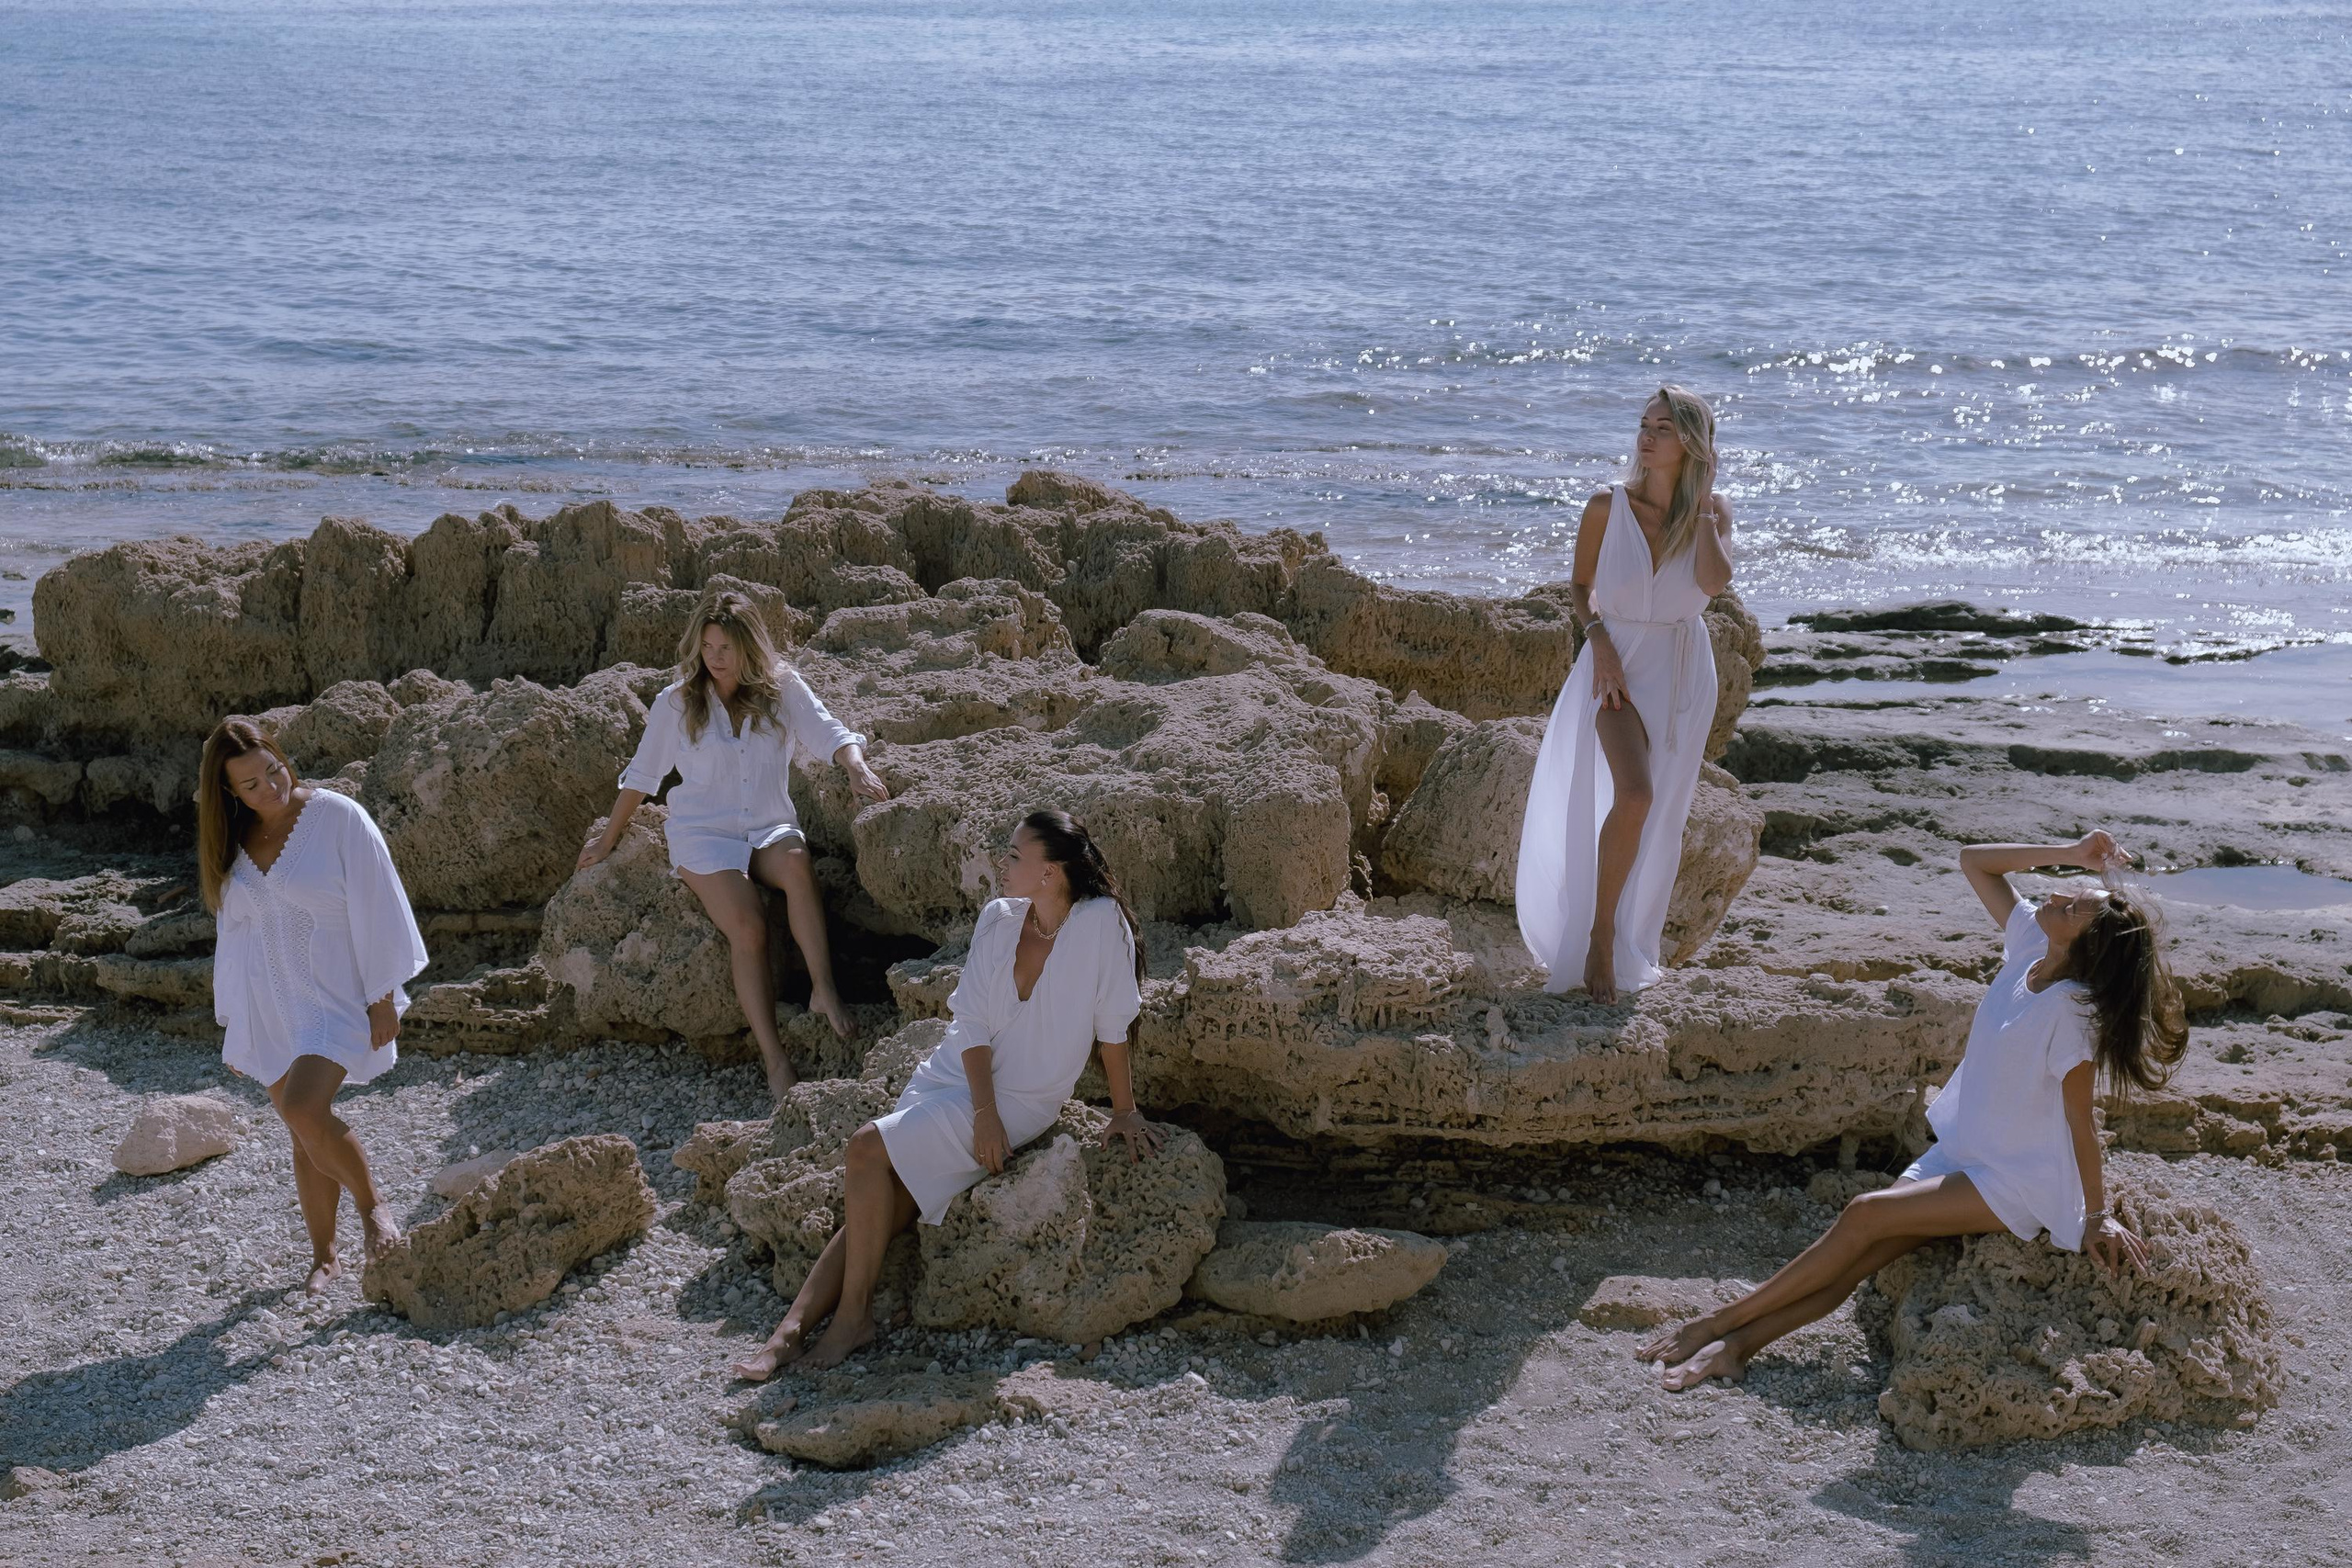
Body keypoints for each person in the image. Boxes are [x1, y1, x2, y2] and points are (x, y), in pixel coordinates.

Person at [1639, 829, 2188, 1390]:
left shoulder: (2071, 1014)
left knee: (1864, 1215)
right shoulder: (2031, 950)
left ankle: (1715, 1323)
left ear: (2086, 947)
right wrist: (2071, 853)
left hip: (2013, 1181)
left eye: (2072, 907)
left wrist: (2096, 1216)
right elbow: (1976, 861)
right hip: (1965, 1150)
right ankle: (1737, 1348)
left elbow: (2081, 1125)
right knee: (1861, 1254)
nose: (2054, 898)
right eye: (2067, 891)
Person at [730, 809, 1162, 1380]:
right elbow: (972, 1024)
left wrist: (1124, 1111)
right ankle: (791, 1333)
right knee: (892, 1188)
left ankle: (848, 1321)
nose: (1002, 865)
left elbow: (1113, 1025)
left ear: (1052, 873)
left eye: (1014, 857)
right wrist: (979, 1111)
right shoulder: (1000, 918)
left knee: (866, 1149)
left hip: (1023, 1097)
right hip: (954, 1077)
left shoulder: (1101, 922)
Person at [580, 588, 889, 1100]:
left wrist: (857, 767)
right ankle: (774, 1058)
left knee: (796, 866)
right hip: (704, 835)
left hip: (766, 826)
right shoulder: (677, 702)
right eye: (707, 646)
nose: (716, 658)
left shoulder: (782, 687)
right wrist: (606, 840)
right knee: (748, 925)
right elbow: (643, 776)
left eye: (726, 647)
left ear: (750, 647)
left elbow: (826, 729)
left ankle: (823, 989)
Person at [1516, 386, 1736, 1003]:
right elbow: (1580, 585)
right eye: (1644, 424)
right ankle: (1598, 935)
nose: (1646, 436)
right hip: (1613, 663)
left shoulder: (1714, 511)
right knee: (1634, 794)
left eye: (1663, 428)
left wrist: (1700, 510)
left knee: (1658, 816)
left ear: (1691, 442)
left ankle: (1626, 935)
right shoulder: (1605, 507)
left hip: (1682, 672)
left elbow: (1715, 584)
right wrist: (1599, 643)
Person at [199, 716, 430, 1294]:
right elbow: (235, 936)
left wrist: (383, 996)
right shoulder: (232, 843)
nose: (270, 788)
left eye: (273, 770)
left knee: (304, 1110)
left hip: (335, 997)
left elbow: (379, 901)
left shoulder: (336, 817)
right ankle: (324, 1257)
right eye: (251, 785)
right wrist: (235, 1022)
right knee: (303, 1133)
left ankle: (374, 1212)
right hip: (270, 1007)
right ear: (230, 793)